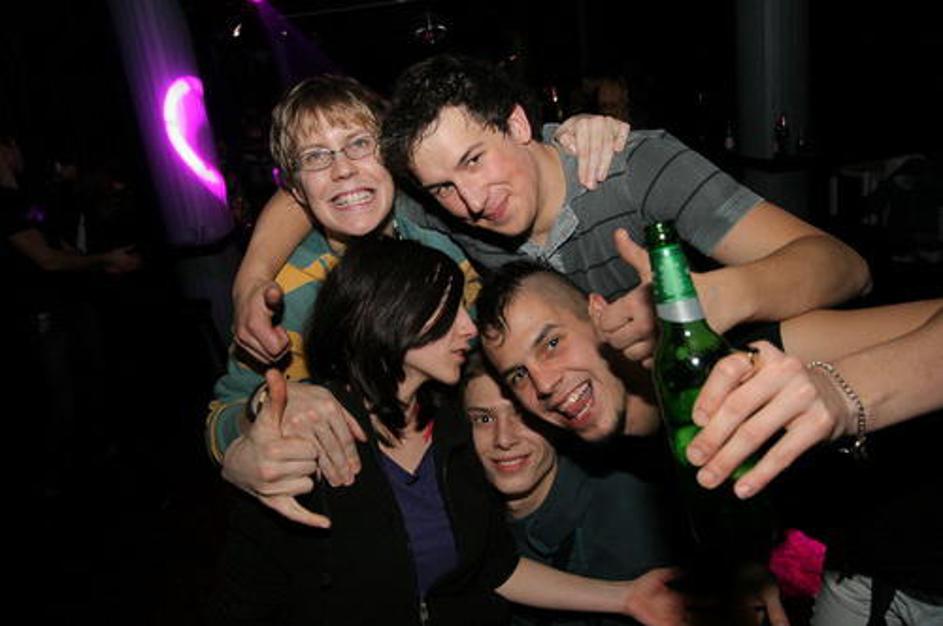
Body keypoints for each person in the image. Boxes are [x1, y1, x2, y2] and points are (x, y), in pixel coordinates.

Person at [228, 52, 870, 490]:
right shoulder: (442, 211)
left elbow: (845, 267)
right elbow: (327, 192)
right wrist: (252, 279)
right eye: (444, 185)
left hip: (768, 411)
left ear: (516, 124)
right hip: (606, 453)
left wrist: (708, 298)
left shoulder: (633, 171)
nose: (471, 200)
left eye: (475, 160)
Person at [206, 74, 632, 525]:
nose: (342, 169)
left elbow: (505, 165)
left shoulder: (444, 222)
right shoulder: (288, 291)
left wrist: (569, 137)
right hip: (382, 507)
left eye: (358, 144)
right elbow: (223, 417)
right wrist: (262, 415)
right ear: (296, 189)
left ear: (391, 155)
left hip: (529, 454)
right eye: (316, 157)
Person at [207, 237, 689, 626]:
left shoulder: (456, 427)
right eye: (449, 309)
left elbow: (494, 568)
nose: (469, 329)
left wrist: (626, 597)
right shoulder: (312, 429)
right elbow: (246, 598)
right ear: (392, 311)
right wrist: (247, 436)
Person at [475, 260, 943, 626]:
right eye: (518, 375)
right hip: (864, 575)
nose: (544, 384)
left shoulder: (742, 353)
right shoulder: (615, 453)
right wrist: (747, 563)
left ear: (600, 315)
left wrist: (840, 390)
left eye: (551, 343)